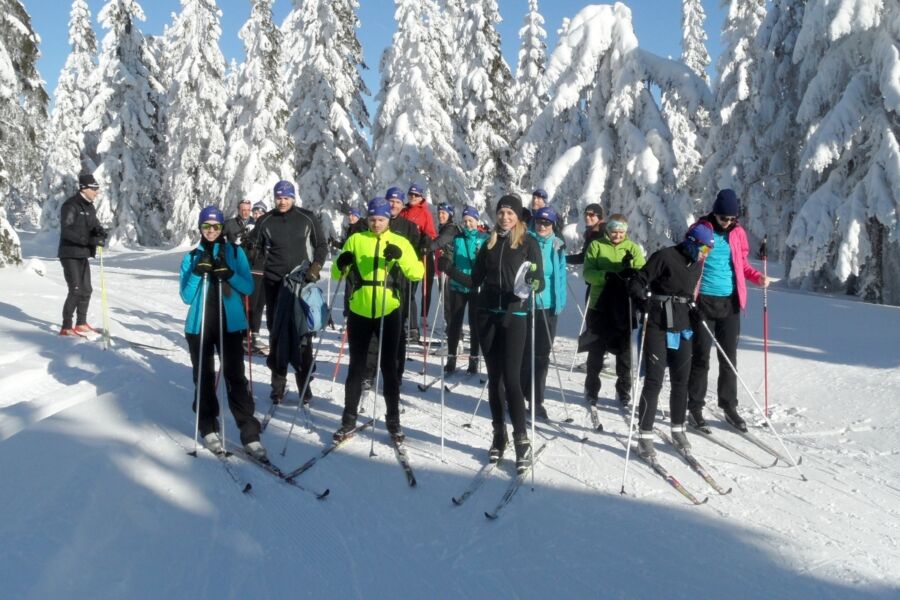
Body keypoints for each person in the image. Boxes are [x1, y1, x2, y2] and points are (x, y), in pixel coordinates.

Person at [440, 193, 544, 473]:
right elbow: (475, 280)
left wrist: (534, 281)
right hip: (486, 315)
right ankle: (499, 435)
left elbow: (540, 282)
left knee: (511, 379)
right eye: (501, 212)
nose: (505, 217)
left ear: (519, 216)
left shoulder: (528, 242)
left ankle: (522, 440)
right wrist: (449, 270)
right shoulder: (488, 244)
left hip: (515, 315)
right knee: (494, 379)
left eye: (510, 213)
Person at [332, 197, 425, 442]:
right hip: (360, 309)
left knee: (389, 369)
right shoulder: (355, 239)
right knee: (356, 368)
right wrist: (341, 263)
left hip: (389, 309)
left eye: (381, 219)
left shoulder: (400, 241)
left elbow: (417, 272)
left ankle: (393, 421)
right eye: (372, 219)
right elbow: (336, 273)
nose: (376, 224)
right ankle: (348, 420)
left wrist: (401, 257)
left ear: (388, 220)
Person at [179, 206, 265, 459]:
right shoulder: (191, 256)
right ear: (200, 228)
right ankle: (208, 427)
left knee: (236, 378)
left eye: (216, 227)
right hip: (200, 325)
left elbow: (248, 287)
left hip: (230, 324)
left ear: (222, 228)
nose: (212, 231)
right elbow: (185, 296)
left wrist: (228, 274)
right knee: (204, 378)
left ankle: (249, 433)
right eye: (207, 227)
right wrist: (197, 272)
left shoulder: (235, 252)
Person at [627, 222, 715, 459]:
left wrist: (695, 309)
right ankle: (644, 435)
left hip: (682, 326)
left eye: (709, 250)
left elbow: (688, 295)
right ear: (691, 243)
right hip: (656, 324)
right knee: (654, 380)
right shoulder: (665, 256)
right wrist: (640, 298)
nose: (705, 254)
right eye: (704, 249)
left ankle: (678, 429)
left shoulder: (696, 264)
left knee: (681, 380)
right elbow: (637, 281)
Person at [687, 189, 769, 432]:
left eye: (733, 218)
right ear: (715, 213)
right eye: (724, 218)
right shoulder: (700, 230)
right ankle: (695, 406)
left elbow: (741, 264)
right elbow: (688, 259)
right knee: (701, 356)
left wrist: (757, 277)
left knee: (728, 357)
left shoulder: (738, 233)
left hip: (730, 302)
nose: (729, 222)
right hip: (703, 301)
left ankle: (729, 406)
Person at [246, 180, 327, 404]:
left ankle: (304, 385)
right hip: (274, 284)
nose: (282, 201)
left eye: (286, 197)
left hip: (301, 283)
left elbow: (321, 245)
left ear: (293, 197)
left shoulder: (306, 217)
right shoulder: (266, 220)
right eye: (279, 197)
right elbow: (253, 248)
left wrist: (316, 267)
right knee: (276, 334)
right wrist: (248, 248)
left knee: (303, 335)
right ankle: (277, 386)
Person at [581, 214, 645, 407]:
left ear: (625, 232)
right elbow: (588, 274)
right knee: (596, 350)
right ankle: (591, 389)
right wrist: (606, 275)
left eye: (621, 232)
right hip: (600, 304)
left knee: (624, 352)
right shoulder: (596, 246)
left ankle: (623, 391)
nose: (617, 235)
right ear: (607, 231)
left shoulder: (632, 248)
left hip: (623, 305)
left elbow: (642, 274)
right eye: (614, 231)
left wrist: (631, 270)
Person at [521, 206, 567, 420]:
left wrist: (560, 302)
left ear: (553, 226)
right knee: (523, 352)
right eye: (539, 221)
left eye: (547, 223)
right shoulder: (525, 241)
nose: (542, 226)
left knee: (541, 355)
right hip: (526, 303)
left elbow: (560, 276)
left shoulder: (557, 246)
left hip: (548, 306)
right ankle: (518, 395)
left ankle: (536, 400)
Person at [57, 173, 107, 336]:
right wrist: (89, 241)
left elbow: (94, 226)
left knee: (87, 289)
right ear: (84, 188)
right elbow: (67, 231)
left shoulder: (89, 206)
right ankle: (66, 327)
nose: (96, 192)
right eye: (94, 189)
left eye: (97, 189)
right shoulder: (71, 205)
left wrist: (100, 233)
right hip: (69, 253)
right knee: (76, 290)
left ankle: (81, 323)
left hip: (82, 254)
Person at [442, 205, 486, 375]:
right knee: (455, 323)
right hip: (457, 286)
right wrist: (445, 261)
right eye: (465, 221)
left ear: (477, 221)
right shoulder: (457, 238)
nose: (468, 224)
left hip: (476, 287)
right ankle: (451, 357)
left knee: (475, 324)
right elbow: (449, 254)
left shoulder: (484, 238)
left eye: (471, 221)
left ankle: (474, 358)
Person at [400, 182, 437, 340]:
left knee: (410, 292)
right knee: (400, 291)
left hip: (416, 256)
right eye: (411, 195)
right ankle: (401, 323)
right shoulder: (404, 211)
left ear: (421, 197)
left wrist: (425, 243)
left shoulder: (424, 213)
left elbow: (431, 233)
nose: (413, 197)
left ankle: (414, 328)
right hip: (401, 255)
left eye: (416, 195)